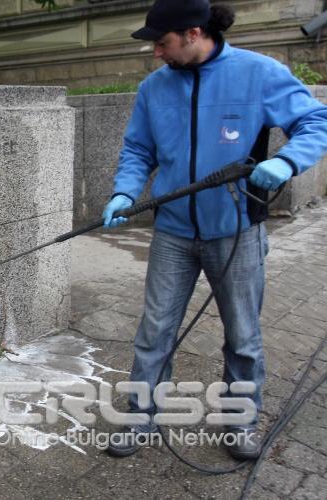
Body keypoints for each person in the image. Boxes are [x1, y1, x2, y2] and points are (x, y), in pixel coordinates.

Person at [101, 0, 327, 460]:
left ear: (193, 33)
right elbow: (137, 150)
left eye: (162, 43)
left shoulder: (259, 73)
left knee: (243, 336)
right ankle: (141, 416)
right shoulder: (153, 88)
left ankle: (240, 422)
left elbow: (316, 122)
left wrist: (285, 161)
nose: (156, 55)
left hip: (237, 231)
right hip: (173, 233)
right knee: (154, 331)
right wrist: (124, 191)